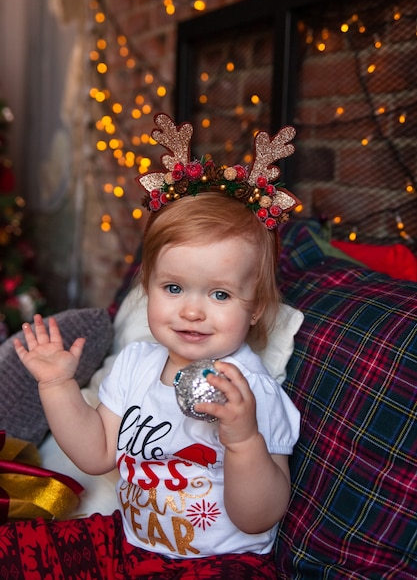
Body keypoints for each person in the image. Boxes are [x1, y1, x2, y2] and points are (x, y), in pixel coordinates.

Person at [1, 115, 300, 579]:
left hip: (217, 562)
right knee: (14, 550)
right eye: (174, 288)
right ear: (148, 289)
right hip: (128, 541)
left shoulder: (253, 391)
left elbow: (258, 516)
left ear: (257, 307)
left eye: (219, 294)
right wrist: (58, 384)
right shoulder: (136, 363)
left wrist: (242, 440)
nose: (192, 311)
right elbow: (97, 453)